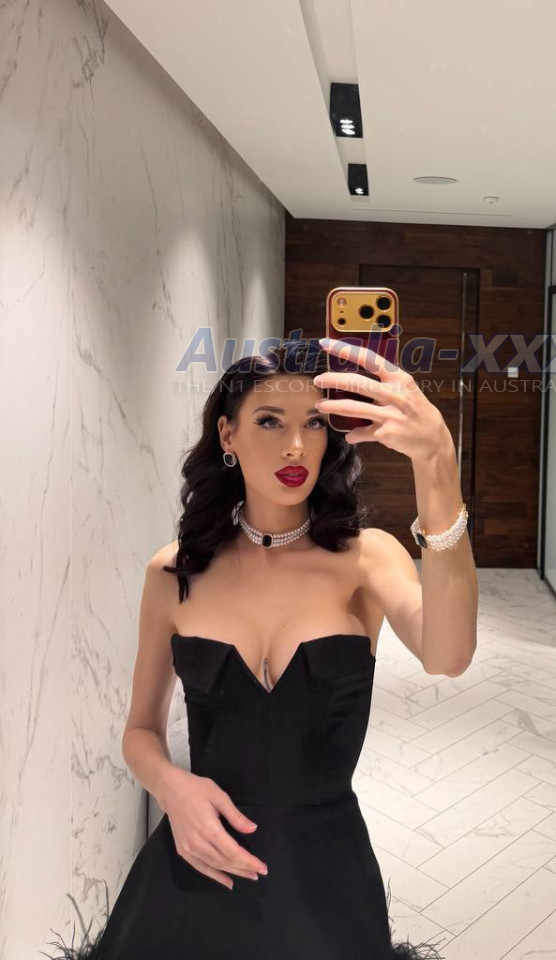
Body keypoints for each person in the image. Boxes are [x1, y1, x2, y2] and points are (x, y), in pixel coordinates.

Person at [43, 335, 478, 958]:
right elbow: (139, 731)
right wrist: (173, 789)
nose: (295, 445)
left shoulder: (368, 559)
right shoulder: (174, 573)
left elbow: (449, 655)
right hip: (195, 867)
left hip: (324, 878)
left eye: (314, 423)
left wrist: (437, 461)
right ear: (227, 434)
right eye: (270, 421)